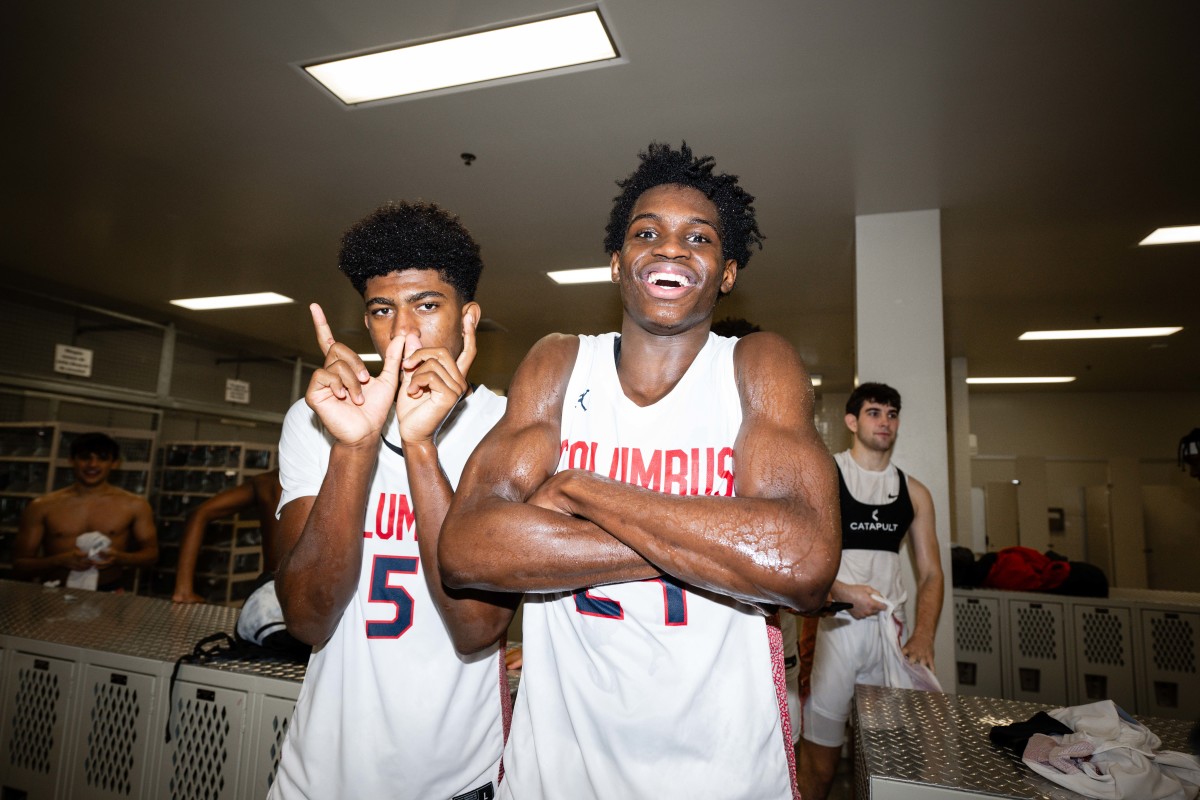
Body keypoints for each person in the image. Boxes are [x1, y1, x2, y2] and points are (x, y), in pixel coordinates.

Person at [440, 142, 841, 800]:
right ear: (617, 262)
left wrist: (581, 490)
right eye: (646, 232)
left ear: (727, 271)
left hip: (723, 773)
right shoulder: (559, 364)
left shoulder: (754, 366)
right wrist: (709, 548)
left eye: (700, 237)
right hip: (555, 773)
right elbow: (465, 548)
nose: (671, 248)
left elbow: (801, 562)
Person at [268, 201, 515, 800]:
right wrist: (353, 449)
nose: (403, 332)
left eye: (427, 305)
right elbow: (306, 617)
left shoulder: (510, 427)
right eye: (383, 310)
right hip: (317, 777)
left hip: (456, 779)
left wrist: (419, 443)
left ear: (469, 318)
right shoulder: (315, 420)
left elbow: (476, 628)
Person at [798, 382, 945, 800]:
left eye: (892, 413)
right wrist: (842, 593)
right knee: (820, 767)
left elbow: (931, 573)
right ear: (851, 421)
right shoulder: (827, 476)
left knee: (885, 768)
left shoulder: (914, 493)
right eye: (874, 412)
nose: (885, 421)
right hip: (836, 631)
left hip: (888, 636)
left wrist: (924, 634)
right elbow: (801, 558)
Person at [14, 432, 157, 591]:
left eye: (102, 458)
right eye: (84, 457)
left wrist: (120, 558)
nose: (92, 464)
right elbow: (20, 564)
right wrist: (59, 560)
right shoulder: (42, 506)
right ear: (71, 460)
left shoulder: (135, 505)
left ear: (115, 463)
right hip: (55, 591)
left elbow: (151, 555)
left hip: (109, 593)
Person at [171, 468, 281, 604]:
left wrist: (183, 590)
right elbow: (200, 514)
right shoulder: (271, 481)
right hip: (280, 593)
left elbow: (199, 513)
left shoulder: (268, 480)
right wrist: (183, 590)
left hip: (269, 594)